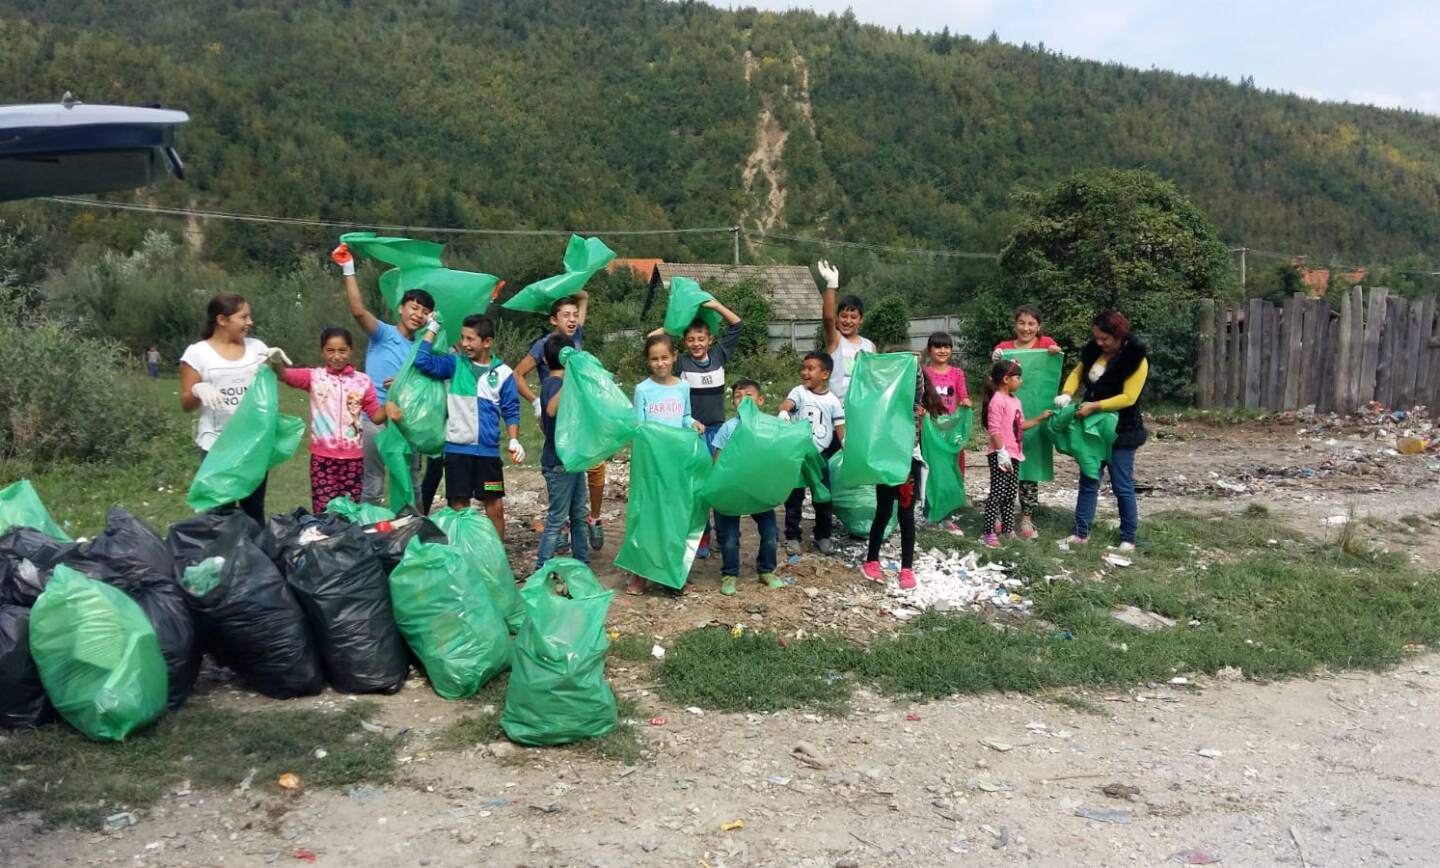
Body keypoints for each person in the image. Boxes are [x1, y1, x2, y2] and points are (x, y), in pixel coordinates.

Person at [331, 243, 435, 507]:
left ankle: (414, 526)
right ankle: (371, 528)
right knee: (373, 484)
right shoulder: (383, 334)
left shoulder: (424, 347)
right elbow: (358, 311)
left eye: (424, 312)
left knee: (410, 481)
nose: (418, 315)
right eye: (414, 308)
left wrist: (404, 385)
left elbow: (433, 383)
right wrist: (348, 268)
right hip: (374, 419)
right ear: (401, 308)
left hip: (407, 422)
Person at [408, 314, 523, 540]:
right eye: (462, 338)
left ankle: (497, 554)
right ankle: (462, 553)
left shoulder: (503, 373)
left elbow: (511, 409)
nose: (464, 343)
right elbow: (421, 360)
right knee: (459, 507)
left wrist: (514, 439)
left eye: (470, 339)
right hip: (457, 451)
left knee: (495, 506)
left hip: (488, 454)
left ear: (487, 342)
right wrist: (433, 328)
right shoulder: (454, 364)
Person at [647, 298, 744, 559]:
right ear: (684, 342)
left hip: (719, 433)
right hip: (692, 434)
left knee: (720, 485)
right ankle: (702, 536)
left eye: (701, 338)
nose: (696, 344)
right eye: (690, 339)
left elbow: (737, 325)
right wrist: (677, 322)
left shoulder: (719, 356)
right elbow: (652, 337)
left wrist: (715, 306)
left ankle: (726, 535)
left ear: (710, 339)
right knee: (697, 489)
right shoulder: (680, 363)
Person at [179, 293, 288, 524]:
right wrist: (198, 389)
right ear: (222, 320)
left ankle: (254, 548)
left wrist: (277, 362)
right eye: (244, 317)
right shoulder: (197, 353)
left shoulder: (257, 348)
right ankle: (224, 548)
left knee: (254, 511)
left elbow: (274, 382)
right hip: (216, 445)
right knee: (220, 514)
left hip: (253, 444)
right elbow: (186, 404)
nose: (250, 322)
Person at [511, 292, 607, 550]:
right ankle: (561, 524)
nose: (573, 319)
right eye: (566, 315)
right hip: (556, 415)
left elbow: (584, 298)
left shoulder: (575, 337)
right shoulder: (544, 345)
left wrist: (574, 285)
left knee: (595, 465)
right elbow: (517, 375)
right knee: (560, 467)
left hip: (581, 415)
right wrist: (535, 402)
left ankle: (593, 518)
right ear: (554, 320)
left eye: (575, 315)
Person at [1057, 311, 1150, 551]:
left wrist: (1095, 406)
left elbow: (1129, 397)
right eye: (1096, 337)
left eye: (1104, 338)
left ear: (1118, 335)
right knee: (1089, 479)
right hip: (1092, 430)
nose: (1099, 342)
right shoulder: (1094, 352)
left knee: (1121, 485)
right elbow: (1077, 373)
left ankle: (1128, 537)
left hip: (1122, 430)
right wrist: (1067, 394)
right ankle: (1080, 533)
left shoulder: (1136, 358)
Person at [272, 327, 387, 514]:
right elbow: (283, 375)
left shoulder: (363, 381)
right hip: (323, 459)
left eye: (342, 350)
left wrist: (391, 403)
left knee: (349, 512)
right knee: (323, 511)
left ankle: (346, 534)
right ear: (322, 352)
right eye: (331, 351)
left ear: (351, 351)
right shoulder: (315, 377)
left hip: (353, 460)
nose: (337, 356)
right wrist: (276, 361)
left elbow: (376, 417)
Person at [626, 334, 705, 595]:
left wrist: (693, 423)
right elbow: (639, 427)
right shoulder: (643, 389)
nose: (660, 363)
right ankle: (639, 573)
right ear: (648, 361)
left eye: (664, 358)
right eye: (654, 359)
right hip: (651, 466)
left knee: (674, 515)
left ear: (674, 357)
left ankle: (671, 573)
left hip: (676, 464)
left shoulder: (682, 387)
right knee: (647, 515)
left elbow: (685, 416)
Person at [861, 360, 947, 589]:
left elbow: (917, 382)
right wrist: (867, 365)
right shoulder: (882, 404)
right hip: (887, 463)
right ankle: (871, 560)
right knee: (883, 512)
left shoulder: (913, 405)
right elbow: (869, 385)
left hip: (909, 464)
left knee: (906, 516)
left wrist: (912, 363)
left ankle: (906, 568)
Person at [992, 304, 1064, 538]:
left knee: (1030, 467)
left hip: (1034, 418)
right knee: (1004, 468)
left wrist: (1054, 352)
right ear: (1015, 324)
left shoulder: (1046, 344)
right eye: (1021, 323)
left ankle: (1026, 517)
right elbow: (995, 376)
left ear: (1039, 326)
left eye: (1031, 324)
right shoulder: (1004, 348)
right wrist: (995, 359)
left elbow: (1054, 364)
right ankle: (1000, 514)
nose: (1026, 328)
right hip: (1007, 419)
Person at [710, 379, 782, 596]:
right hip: (732, 490)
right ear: (733, 402)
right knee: (730, 536)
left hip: (758, 490)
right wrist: (719, 485)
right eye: (738, 397)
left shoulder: (768, 427)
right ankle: (730, 574)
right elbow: (718, 458)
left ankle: (766, 570)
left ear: (760, 400)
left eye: (748, 396)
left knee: (770, 532)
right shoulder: (728, 427)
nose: (743, 400)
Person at [778, 351, 845, 558]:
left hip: (819, 457)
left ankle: (823, 535)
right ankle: (792, 536)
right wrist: (784, 412)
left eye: (810, 369)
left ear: (825, 374)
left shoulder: (832, 401)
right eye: (803, 368)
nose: (804, 372)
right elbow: (787, 404)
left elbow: (839, 426)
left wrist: (846, 446)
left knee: (823, 496)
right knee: (794, 498)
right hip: (798, 455)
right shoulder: (799, 392)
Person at [980, 360, 1052, 548]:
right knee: (997, 494)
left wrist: (1040, 418)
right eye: (1018, 377)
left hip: (1014, 454)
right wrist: (1001, 452)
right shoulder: (997, 400)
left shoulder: (1016, 401)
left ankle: (1008, 529)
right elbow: (994, 430)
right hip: (1001, 455)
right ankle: (988, 533)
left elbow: (1020, 426)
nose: (1021, 381)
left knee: (1010, 494)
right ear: (1006, 379)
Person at [536, 334, 589, 568]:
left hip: (572, 461)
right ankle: (541, 568)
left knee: (579, 515)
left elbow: (543, 423)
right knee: (557, 519)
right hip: (558, 464)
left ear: (544, 360)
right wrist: (571, 379)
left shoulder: (552, 384)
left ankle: (582, 563)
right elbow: (550, 410)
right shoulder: (553, 384)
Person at [921, 331, 970, 535]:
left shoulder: (957, 373)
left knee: (950, 470)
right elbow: (919, 396)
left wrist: (965, 402)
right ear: (929, 350)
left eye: (946, 347)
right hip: (930, 431)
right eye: (938, 347)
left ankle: (947, 516)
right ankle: (930, 515)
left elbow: (963, 396)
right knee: (931, 471)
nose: (942, 351)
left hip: (950, 432)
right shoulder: (923, 372)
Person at [818, 260, 875, 400]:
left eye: (853, 317)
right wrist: (831, 285)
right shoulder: (835, 340)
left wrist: (909, 359)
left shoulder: (870, 346)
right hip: (838, 406)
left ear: (861, 319)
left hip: (862, 404)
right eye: (843, 316)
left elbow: (877, 375)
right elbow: (827, 318)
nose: (848, 321)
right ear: (837, 318)